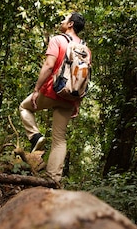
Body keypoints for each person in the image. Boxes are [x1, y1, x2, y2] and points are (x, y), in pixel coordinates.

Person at [19, 12, 91, 183]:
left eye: (64, 19)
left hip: (52, 91)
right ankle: (53, 180)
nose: (61, 21)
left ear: (71, 24)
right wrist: (77, 103)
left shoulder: (58, 40)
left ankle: (36, 136)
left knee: (24, 107)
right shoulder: (86, 50)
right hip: (70, 97)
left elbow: (49, 65)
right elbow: (84, 79)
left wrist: (37, 89)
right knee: (59, 139)